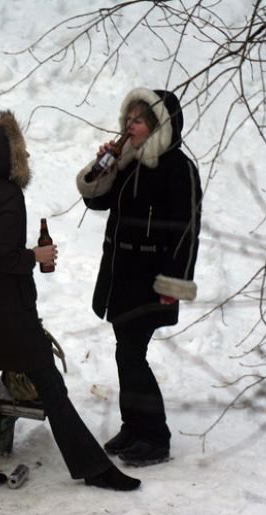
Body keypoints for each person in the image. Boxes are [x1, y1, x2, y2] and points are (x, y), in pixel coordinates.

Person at [0, 110, 140, 491]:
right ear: (5, 157)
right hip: (8, 304)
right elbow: (5, 258)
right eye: (18, 152)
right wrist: (36, 258)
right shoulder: (8, 196)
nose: (24, 157)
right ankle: (94, 468)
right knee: (48, 382)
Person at [75, 88, 202, 467]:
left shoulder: (178, 168)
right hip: (120, 276)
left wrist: (173, 283)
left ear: (158, 125)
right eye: (128, 120)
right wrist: (104, 167)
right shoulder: (128, 161)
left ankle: (155, 437)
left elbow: (187, 232)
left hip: (150, 281)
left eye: (139, 121)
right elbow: (96, 201)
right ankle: (135, 426)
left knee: (132, 354)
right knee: (126, 352)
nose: (130, 127)